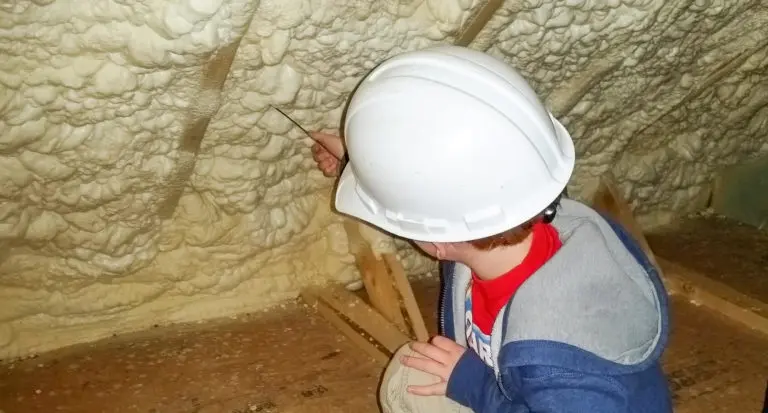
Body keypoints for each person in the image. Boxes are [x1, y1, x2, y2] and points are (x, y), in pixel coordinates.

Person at [308, 45, 673, 413]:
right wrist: (365, 164)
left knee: (411, 383)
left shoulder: (558, 356)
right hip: (525, 386)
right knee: (416, 372)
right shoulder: (511, 211)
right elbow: (454, 174)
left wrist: (472, 384)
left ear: (439, 243)